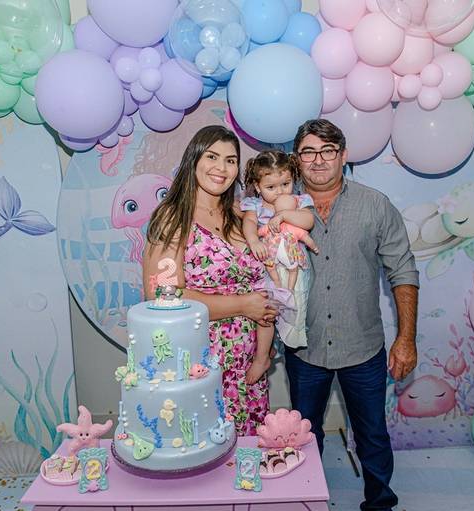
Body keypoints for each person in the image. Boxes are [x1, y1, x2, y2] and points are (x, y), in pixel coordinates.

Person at [285, 119, 419, 511]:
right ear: (296, 160)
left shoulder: (375, 205)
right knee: (303, 436)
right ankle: (305, 501)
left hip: (363, 347)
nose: (318, 160)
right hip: (304, 348)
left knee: (372, 434)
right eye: (308, 152)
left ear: (343, 156)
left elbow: (403, 272)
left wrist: (406, 339)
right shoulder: (279, 209)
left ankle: (379, 503)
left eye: (327, 150)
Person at [143, 125, 280, 435]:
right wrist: (243, 305)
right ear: (193, 160)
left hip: (248, 365)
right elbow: (163, 296)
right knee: (207, 444)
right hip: (201, 362)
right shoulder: (173, 217)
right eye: (212, 156)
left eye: (231, 160)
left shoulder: (240, 215)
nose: (222, 168)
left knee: (246, 450)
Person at [240, 151, 318, 381]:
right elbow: (249, 223)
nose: (281, 191)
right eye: (271, 187)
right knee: (267, 311)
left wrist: (284, 214)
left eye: (286, 183)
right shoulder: (255, 205)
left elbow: (308, 221)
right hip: (268, 265)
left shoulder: (299, 201)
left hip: (294, 266)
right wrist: (254, 241)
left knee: (295, 305)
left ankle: (289, 339)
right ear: (257, 186)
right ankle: (263, 355)